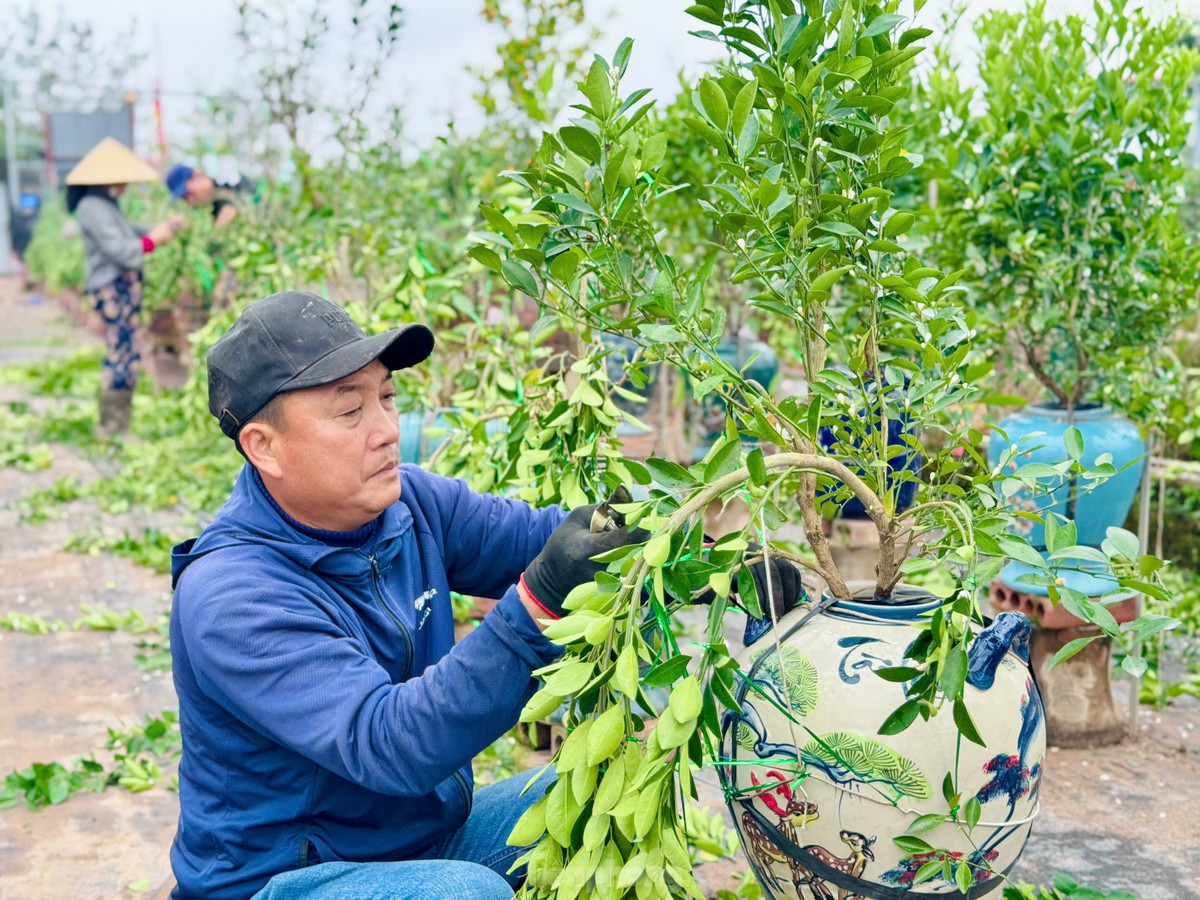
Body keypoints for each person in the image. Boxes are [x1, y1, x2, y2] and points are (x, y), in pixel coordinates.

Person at [167, 290, 804, 899]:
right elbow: (390, 744)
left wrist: (701, 561)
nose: (387, 429)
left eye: (386, 398)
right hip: (289, 881)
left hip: (416, 840)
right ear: (265, 447)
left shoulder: (410, 504)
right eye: (349, 411)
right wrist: (537, 603)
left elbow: (545, 539)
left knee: (613, 786)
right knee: (466, 894)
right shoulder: (233, 596)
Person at [65, 138, 185, 435]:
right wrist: (153, 241)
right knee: (120, 353)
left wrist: (164, 228)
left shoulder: (105, 204)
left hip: (121, 290)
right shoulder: (92, 207)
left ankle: (117, 426)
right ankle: (113, 427)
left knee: (126, 352)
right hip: (112, 290)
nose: (125, 185)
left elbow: (130, 230)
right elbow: (121, 250)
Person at [165, 163, 251, 228]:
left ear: (196, 177)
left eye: (188, 194)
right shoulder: (204, 211)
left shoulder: (234, 182)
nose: (190, 201)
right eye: (185, 199)